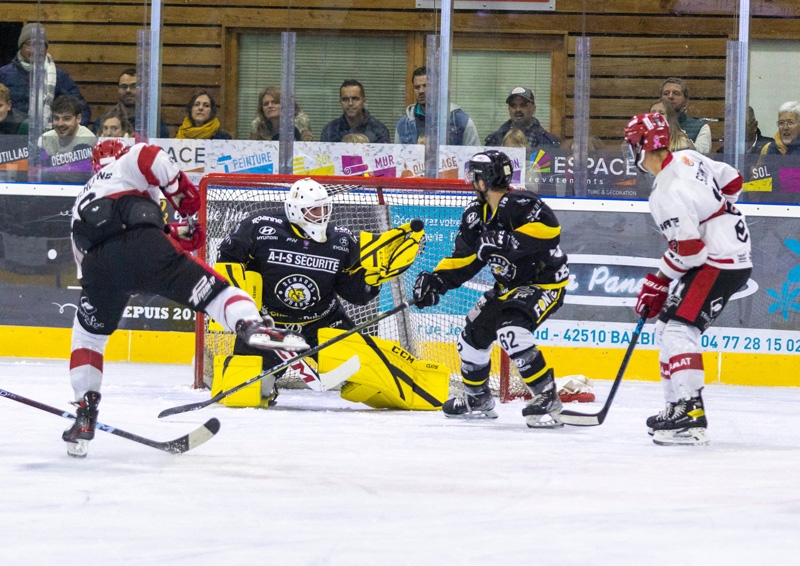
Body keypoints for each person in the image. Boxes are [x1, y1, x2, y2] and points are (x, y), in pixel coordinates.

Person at [62, 139, 307, 458]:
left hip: (98, 270)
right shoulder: (126, 164)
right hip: (147, 250)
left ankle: (85, 411)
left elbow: (99, 256)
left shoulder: (82, 200)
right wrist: (187, 203)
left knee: (88, 337)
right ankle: (250, 324)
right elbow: (150, 157)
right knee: (216, 295)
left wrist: (171, 237)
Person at [413, 150, 570, 428]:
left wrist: (508, 239)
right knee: (471, 336)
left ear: (484, 180)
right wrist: (437, 281)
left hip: (544, 284)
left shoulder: (520, 202)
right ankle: (477, 397)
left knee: (511, 331)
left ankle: (547, 395)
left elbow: (550, 230)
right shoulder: (475, 215)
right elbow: (464, 258)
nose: (471, 182)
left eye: (474, 176)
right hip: (507, 288)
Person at [623, 112, 752, 446]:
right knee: (666, 327)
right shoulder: (688, 156)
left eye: (632, 144)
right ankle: (675, 406)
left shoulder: (665, 192)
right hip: (723, 253)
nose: (630, 150)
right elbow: (734, 181)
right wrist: (718, 215)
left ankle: (691, 413)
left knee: (681, 329)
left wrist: (659, 280)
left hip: (718, 260)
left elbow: (691, 251)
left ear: (643, 146)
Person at [216, 178, 390, 404]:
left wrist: (373, 279)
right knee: (246, 394)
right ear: (295, 210)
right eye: (314, 210)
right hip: (269, 325)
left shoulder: (341, 240)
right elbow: (228, 261)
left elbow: (355, 294)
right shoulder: (260, 227)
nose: (321, 215)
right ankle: (268, 386)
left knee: (373, 381)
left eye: (324, 208)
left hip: (324, 324)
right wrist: (242, 310)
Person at [0, 23, 91, 128]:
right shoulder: (3, 74)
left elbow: (81, 109)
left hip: (51, 138)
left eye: (40, 44)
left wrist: (69, 136)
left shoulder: (59, 77)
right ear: (21, 48)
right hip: (10, 137)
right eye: (30, 44)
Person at [395, 66, 479, 146]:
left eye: (426, 86)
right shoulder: (403, 124)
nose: (421, 91)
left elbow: (474, 156)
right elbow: (398, 158)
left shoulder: (460, 121)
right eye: (417, 87)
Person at [91, 68, 169, 138]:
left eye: (134, 86)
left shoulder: (154, 124)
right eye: (124, 86)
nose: (128, 90)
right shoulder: (103, 121)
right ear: (118, 89)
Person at [484, 87, 561, 150]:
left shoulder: (550, 142)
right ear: (509, 110)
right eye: (513, 106)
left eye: (523, 105)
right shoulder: (493, 140)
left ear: (533, 109)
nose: (518, 110)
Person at [320, 80, 390, 143]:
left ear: (364, 101)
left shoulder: (379, 131)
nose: (350, 103)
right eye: (345, 99)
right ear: (340, 102)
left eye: (355, 99)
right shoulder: (330, 130)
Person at [660, 77, 711, 153]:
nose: (670, 96)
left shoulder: (701, 128)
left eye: (676, 93)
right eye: (666, 93)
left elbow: (703, 155)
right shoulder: (649, 124)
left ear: (685, 100)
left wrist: (684, 143)